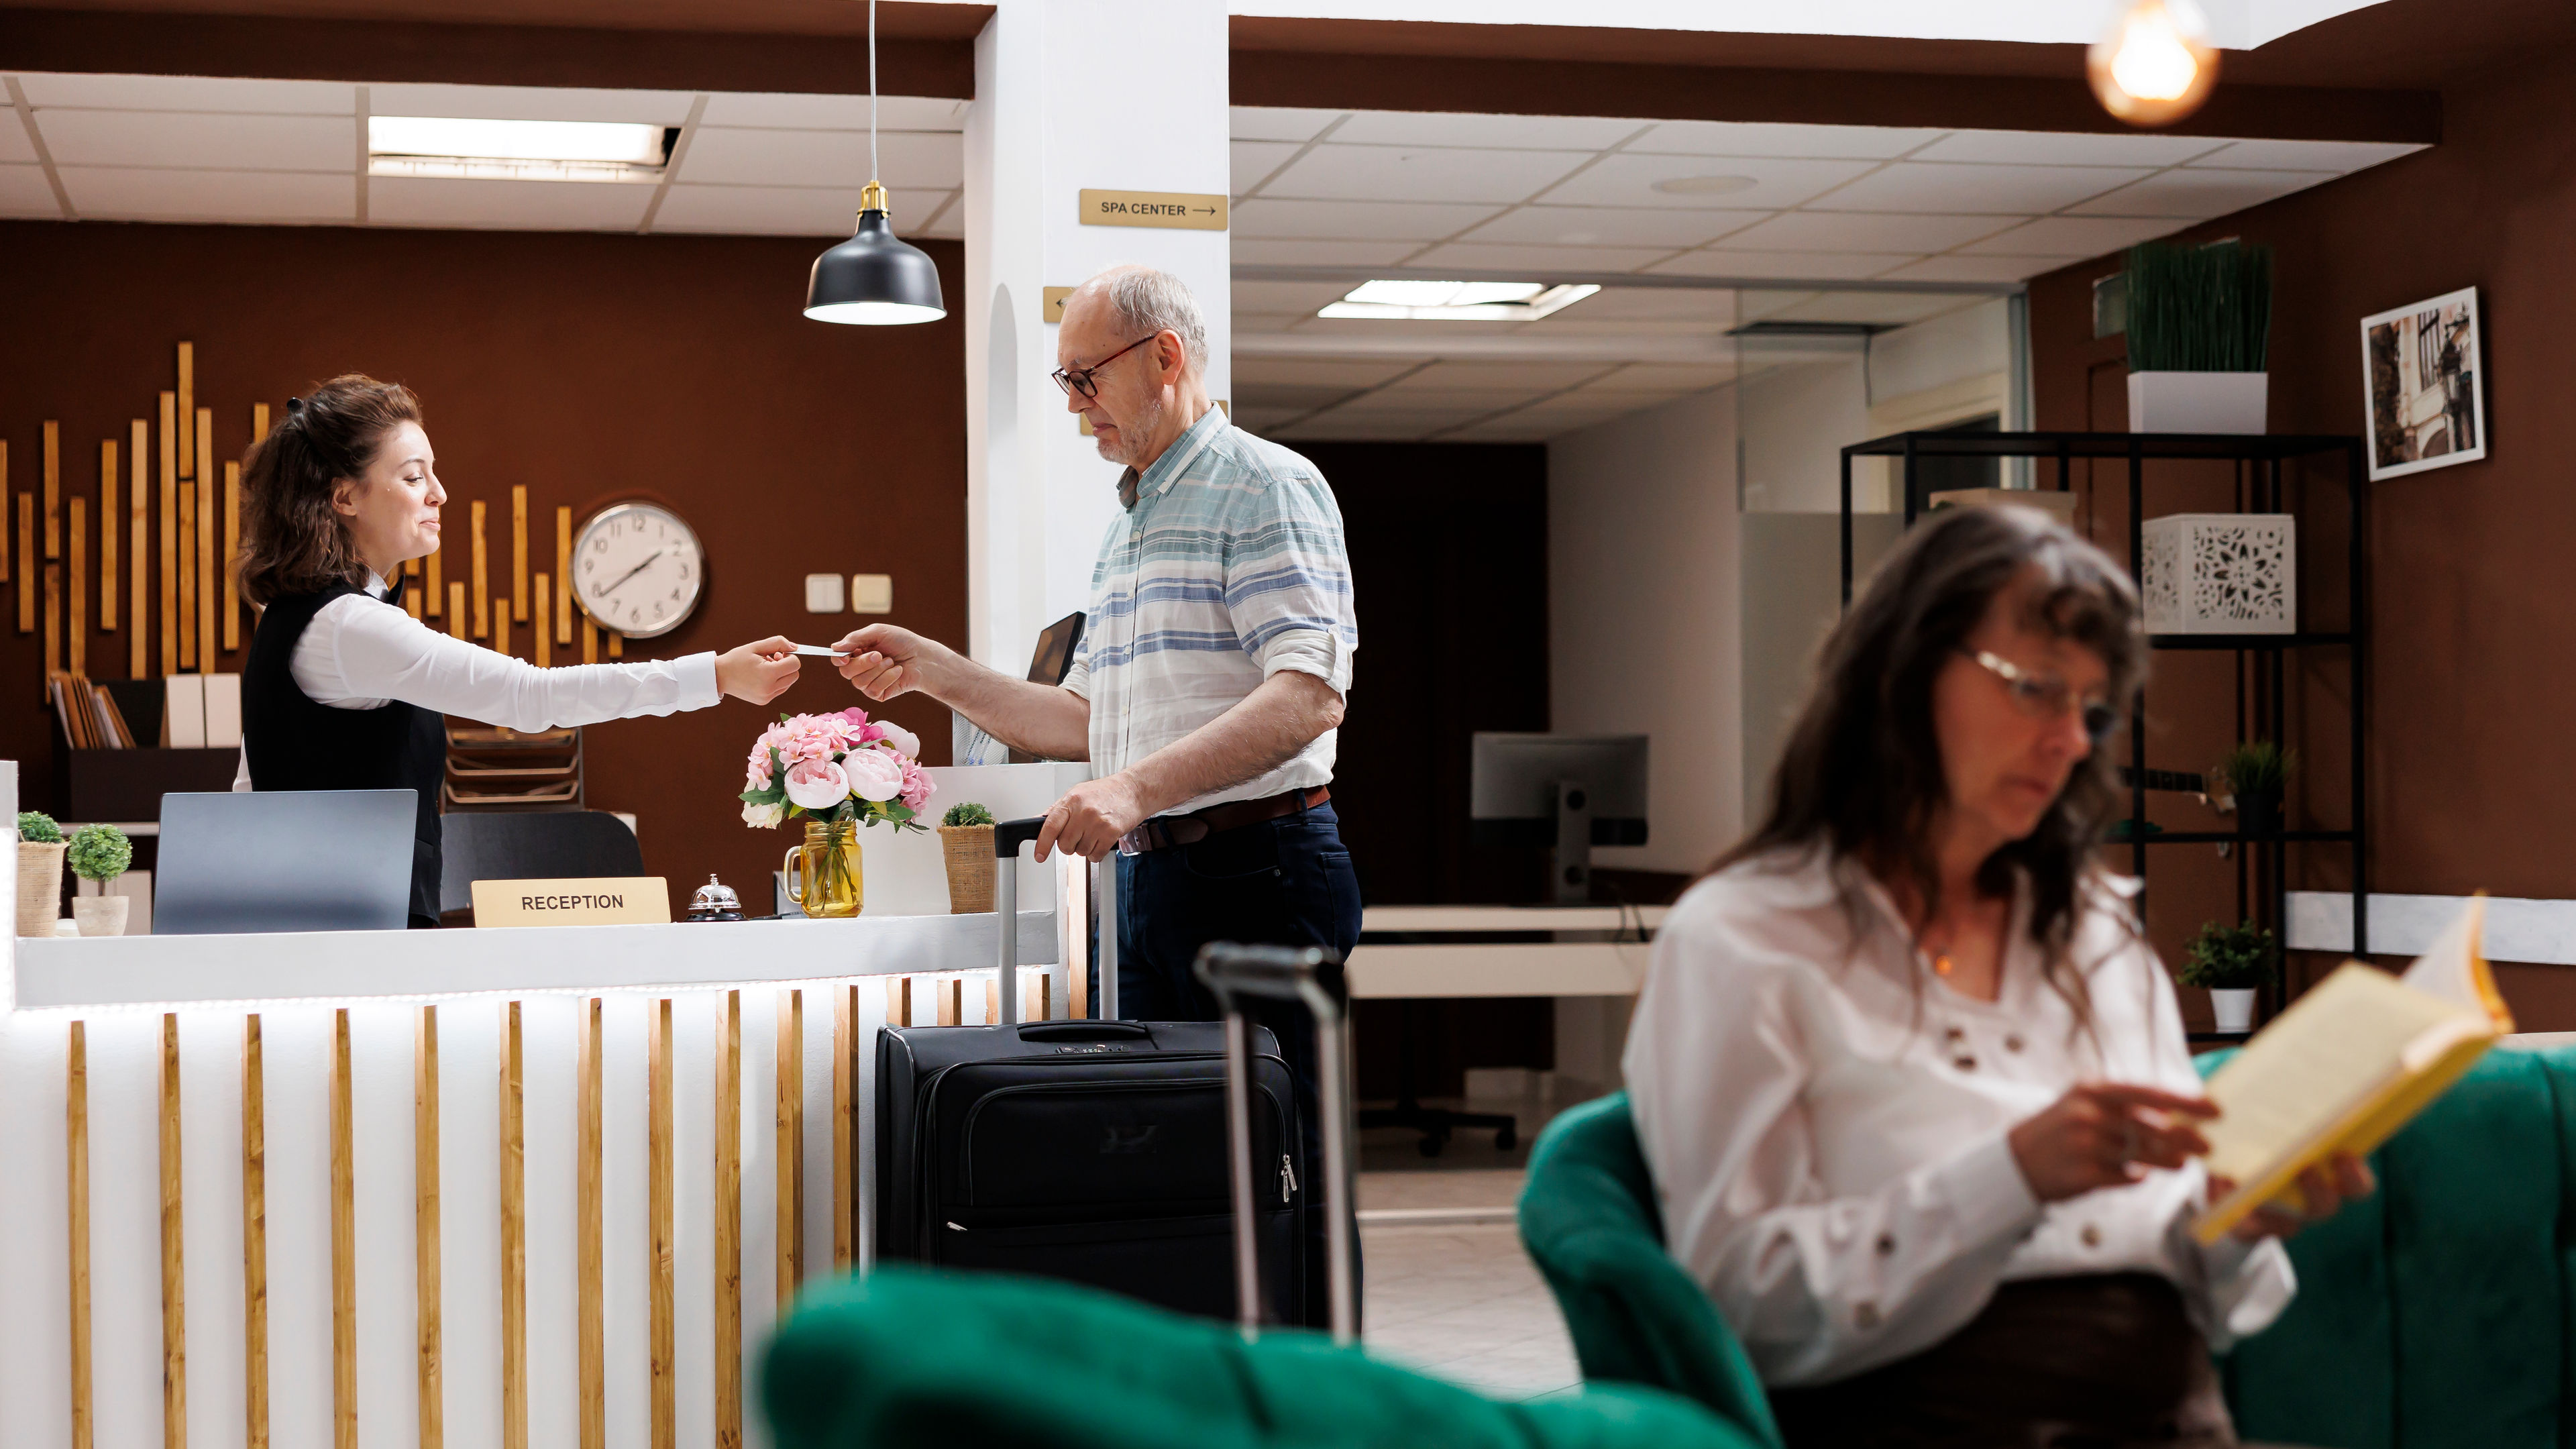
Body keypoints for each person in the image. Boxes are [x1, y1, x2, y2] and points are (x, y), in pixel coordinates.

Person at [1625, 505, 2370, 1448]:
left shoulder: (2095, 938)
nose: (2070, 740)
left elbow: (2211, 1298)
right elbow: (1732, 1303)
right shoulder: (1747, 940)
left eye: (2091, 711)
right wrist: (2010, 1176)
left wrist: (2237, 1219)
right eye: (2035, 690)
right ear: (1902, 675)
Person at [832, 264, 1359, 1322]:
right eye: (1064, 382)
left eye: (1085, 378)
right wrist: (934, 668)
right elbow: (1085, 723)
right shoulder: (1126, 526)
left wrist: (1131, 791)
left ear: (1165, 358)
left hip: (1258, 871)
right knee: (1180, 1183)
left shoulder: (1267, 486)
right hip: (1157, 889)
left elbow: (1308, 695)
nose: (1074, 409)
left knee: (1279, 1175)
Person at [234, 374, 800, 927]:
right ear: (344, 497)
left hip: (310, 931)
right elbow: (531, 697)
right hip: (352, 936)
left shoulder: (301, 618)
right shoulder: (351, 627)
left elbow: (250, 786)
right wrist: (717, 676)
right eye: (413, 477)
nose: (440, 493)